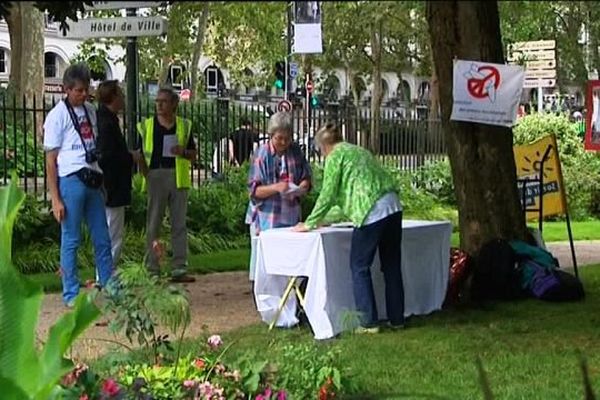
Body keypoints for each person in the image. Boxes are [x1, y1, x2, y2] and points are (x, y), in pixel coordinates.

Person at [293, 123, 405, 334]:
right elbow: (343, 197)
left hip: (371, 211)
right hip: (393, 206)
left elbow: (328, 193)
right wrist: (323, 219)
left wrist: (309, 222)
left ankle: (368, 322)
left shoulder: (335, 156)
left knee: (359, 266)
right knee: (391, 266)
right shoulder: (358, 150)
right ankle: (397, 318)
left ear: (323, 146)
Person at [43, 63, 114, 307]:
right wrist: (56, 198)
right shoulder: (57, 116)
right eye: (79, 91)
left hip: (92, 177)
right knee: (71, 238)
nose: (84, 95)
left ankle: (110, 286)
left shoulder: (91, 111)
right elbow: (50, 161)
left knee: (102, 237)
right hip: (71, 179)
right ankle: (70, 293)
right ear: (66, 89)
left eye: (86, 90)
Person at [136, 87, 197, 283]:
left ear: (174, 105)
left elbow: (194, 155)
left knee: (179, 224)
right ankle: (152, 268)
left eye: (164, 101)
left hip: (178, 177)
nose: (159, 105)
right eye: (157, 101)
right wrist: (147, 175)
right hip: (156, 175)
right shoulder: (146, 126)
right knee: (153, 223)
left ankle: (179, 267)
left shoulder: (184, 126)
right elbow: (139, 154)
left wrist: (183, 152)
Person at [245, 112, 312, 281]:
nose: (283, 143)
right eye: (279, 138)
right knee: (267, 263)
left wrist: (303, 186)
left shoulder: (295, 151)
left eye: (287, 138)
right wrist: (276, 187)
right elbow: (254, 191)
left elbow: (306, 177)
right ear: (271, 135)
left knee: (290, 260)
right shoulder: (262, 154)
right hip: (267, 215)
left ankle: (290, 297)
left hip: (290, 214)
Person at [96, 80, 144, 266]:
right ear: (113, 97)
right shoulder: (107, 123)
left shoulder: (104, 119)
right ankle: (107, 275)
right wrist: (129, 157)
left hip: (109, 185)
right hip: (112, 185)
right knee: (113, 233)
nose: (123, 98)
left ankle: (106, 273)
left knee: (110, 231)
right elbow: (108, 156)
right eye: (120, 95)